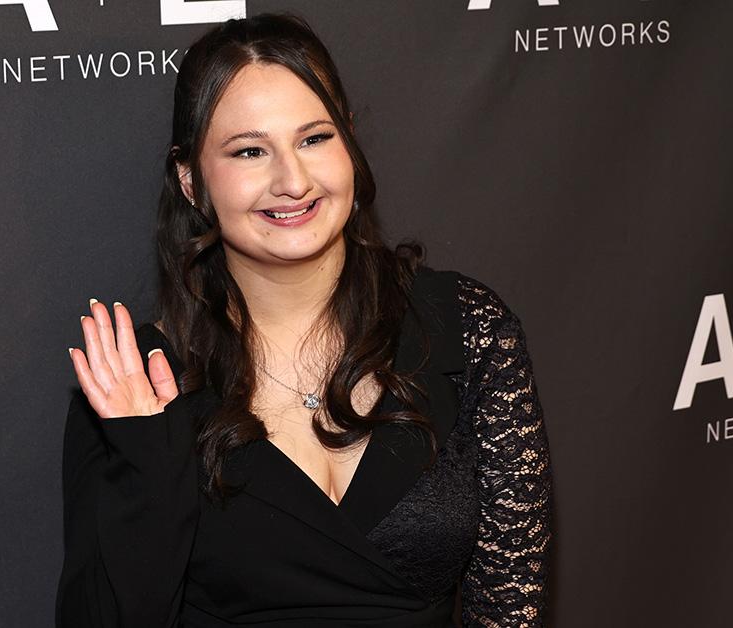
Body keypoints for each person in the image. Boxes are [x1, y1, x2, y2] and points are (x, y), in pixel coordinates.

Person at [56, 12, 553, 628]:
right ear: (190, 181)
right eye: (249, 151)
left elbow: (509, 605)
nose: (292, 181)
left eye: (314, 139)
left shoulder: (465, 329)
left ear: (348, 141)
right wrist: (147, 463)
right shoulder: (139, 383)